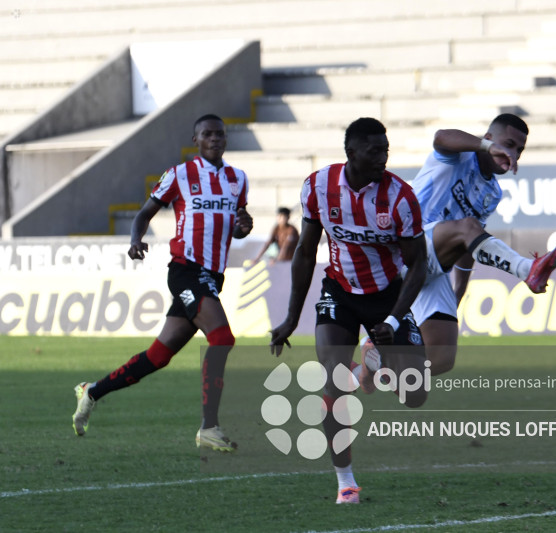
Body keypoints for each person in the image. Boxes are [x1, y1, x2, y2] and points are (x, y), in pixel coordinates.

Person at [71, 114, 253, 452]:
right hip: (186, 269)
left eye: (220, 134)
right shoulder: (180, 174)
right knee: (223, 337)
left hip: (212, 276)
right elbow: (144, 213)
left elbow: (237, 226)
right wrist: (135, 239)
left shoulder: (237, 179)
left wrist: (244, 226)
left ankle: (92, 391)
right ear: (196, 140)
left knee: (158, 356)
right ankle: (209, 427)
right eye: (207, 134)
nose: (215, 139)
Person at [269, 117, 428, 504]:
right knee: (332, 383)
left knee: (415, 394)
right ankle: (346, 483)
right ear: (351, 153)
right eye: (375, 150)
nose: (383, 157)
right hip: (338, 292)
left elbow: (419, 263)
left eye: (386, 150)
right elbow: (306, 252)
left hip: (387, 297)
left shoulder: (400, 197)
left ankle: (371, 363)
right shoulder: (318, 186)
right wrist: (291, 318)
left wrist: (391, 319)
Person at [408, 113, 556, 375]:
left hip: (432, 266)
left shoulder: (492, 193)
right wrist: (486, 147)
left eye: (519, 149)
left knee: (441, 357)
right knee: (468, 225)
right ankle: (528, 270)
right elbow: (441, 137)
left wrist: (457, 293)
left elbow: (469, 243)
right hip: (405, 245)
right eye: (508, 144)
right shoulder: (457, 155)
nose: (512, 153)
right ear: (489, 138)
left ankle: (370, 369)